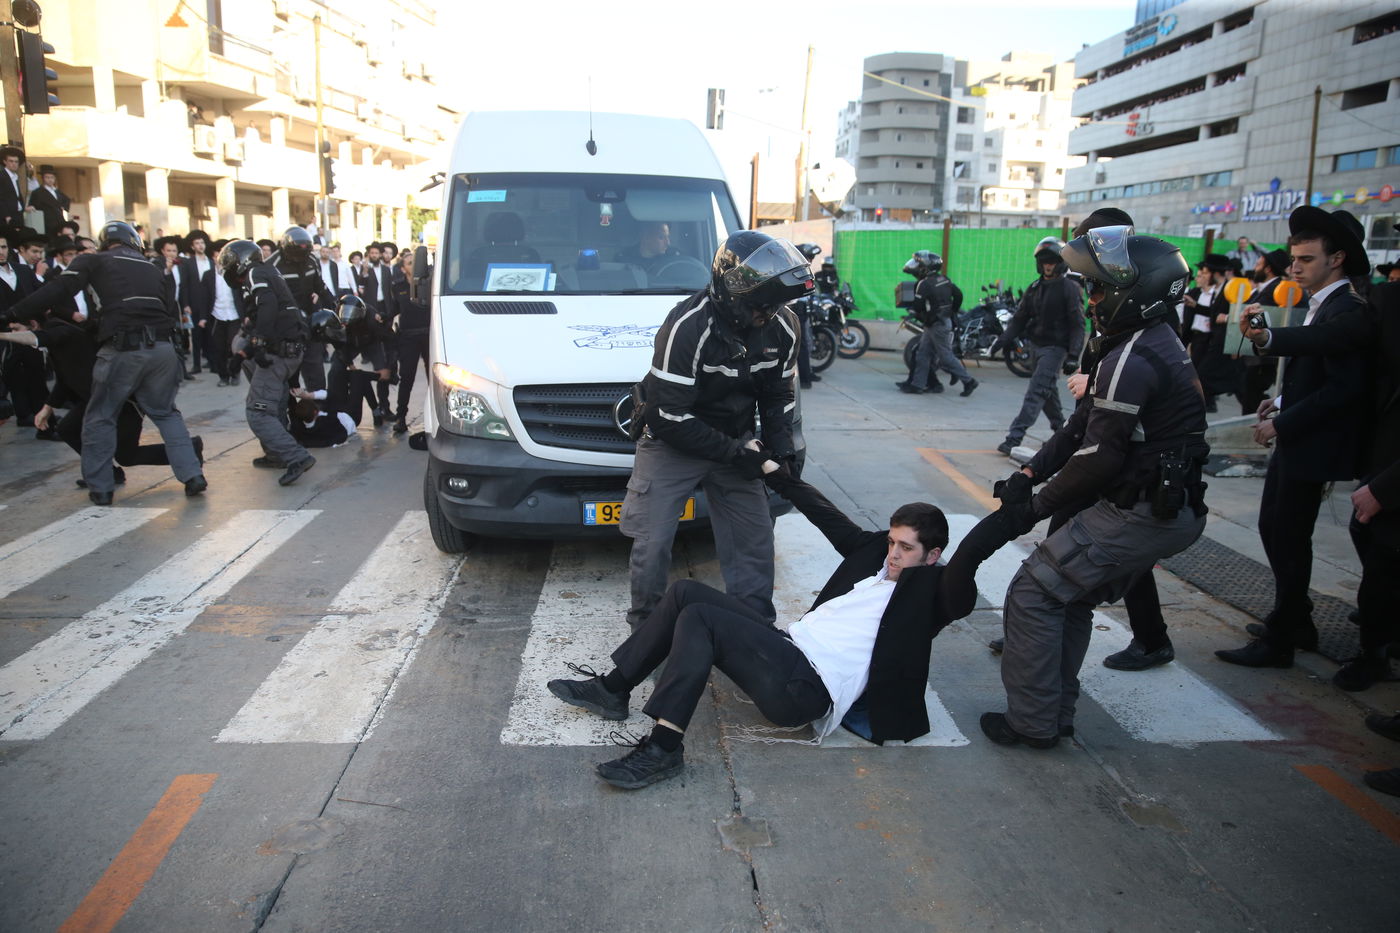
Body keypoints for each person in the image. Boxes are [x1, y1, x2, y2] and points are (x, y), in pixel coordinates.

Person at [548, 468, 994, 788]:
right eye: (892, 542)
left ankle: (664, 749)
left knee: (703, 620)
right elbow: (824, 513)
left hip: (805, 689)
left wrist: (1024, 498)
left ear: (932, 556)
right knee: (686, 592)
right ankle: (613, 688)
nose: (892, 554)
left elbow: (970, 557)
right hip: (786, 651)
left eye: (905, 548)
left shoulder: (935, 596)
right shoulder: (875, 560)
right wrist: (772, 469)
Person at [975, 226, 1209, 747]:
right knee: (1067, 597)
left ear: (1137, 290)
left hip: (1141, 511)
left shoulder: (1135, 356)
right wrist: (1029, 473)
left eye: (1099, 288)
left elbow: (1098, 457)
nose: (1091, 298)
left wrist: (1032, 508)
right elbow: (1080, 425)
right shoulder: (1142, 343)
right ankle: (1053, 713)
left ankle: (1033, 723)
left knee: (1033, 592)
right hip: (1160, 506)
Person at [1232, 227, 1395, 687]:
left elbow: (1342, 387)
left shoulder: (1349, 309)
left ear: (1337, 258)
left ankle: (1286, 634)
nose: (1294, 267)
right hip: (1302, 434)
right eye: (1293, 259)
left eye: (1305, 259)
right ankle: (1292, 619)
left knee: (1286, 534)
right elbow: (1313, 369)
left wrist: (1282, 422)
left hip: (1317, 442)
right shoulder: (1322, 306)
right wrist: (1280, 402)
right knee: (1277, 529)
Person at [621, 231, 809, 629]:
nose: (768, 314)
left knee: (755, 544)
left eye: (775, 304)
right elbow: (666, 415)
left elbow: (778, 395)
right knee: (652, 544)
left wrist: (781, 450)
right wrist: (737, 454)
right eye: (761, 304)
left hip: (736, 440)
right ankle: (646, 632)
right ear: (732, 292)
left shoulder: (785, 326)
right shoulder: (688, 326)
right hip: (672, 440)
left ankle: (752, 632)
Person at [6, 221, 205, 504]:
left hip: (123, 349)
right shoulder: (152, 266)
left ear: (104, 243)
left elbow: (57, 290)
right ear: (133, 241)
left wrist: (12, 312)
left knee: (100, 417)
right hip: (162, 350)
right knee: (166, 414)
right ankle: (193, 475)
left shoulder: (94, 260)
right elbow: (165, 308)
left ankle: (101, 487)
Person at [0, 294, 201, 486]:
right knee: (67, 428)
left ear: (33, 325)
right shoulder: (56, 344)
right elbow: (64, 380)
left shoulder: (60, 330)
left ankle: (190, 450)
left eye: (16, 330)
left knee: (127, 456)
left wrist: (3, 336)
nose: (15, 335)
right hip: (96, 398)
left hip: (122, 400)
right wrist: (47, 409)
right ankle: (107, 473)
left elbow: (42, 337)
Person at [219, 239, 316, 486]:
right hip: (290, 351)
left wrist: (259, 343)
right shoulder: (271, 272)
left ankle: (295, 456)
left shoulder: (255, 273)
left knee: (258, 412)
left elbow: (268, 306)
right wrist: (246, 351)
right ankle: (276, 454)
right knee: (276, 403)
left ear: (240, 261)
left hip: (279, 354)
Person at [993, 238, 1083, 455]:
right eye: (1044, 262)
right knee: (1046, 392)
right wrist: (1003, 340)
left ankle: (1014, 437)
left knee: (1036, 392)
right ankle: (1064, 433)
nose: (1048, 266)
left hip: (1056, 349)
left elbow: (1077, 324)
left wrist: (1073, 354)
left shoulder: (1069, 288)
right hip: (1035, 347)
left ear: (1059, 263)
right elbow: (1019, 319)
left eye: (1052, 261)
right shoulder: (1034, 288)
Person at [896, 250, 976, 397]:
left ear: (925, 267)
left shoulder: (924, 284)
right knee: (923, 354)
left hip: (936, 325)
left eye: (918, 265)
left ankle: (969, 381)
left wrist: (916, 312)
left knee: (945, 356)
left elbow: (918, 305)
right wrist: (952, 310)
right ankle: (917, 385)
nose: (916, 268)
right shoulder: (944, 279)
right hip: (939, 322)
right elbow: (958, 295)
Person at [270, 225, 335, 395]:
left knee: (316, 369)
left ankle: (319, 411)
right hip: (285, 326)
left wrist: (333, 305)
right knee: (287, 377)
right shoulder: (272, 265)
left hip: (309, 322)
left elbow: (320, 287)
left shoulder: (312, 260)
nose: (300, 258)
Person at [1180, 253, 1237, 413]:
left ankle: (1204, 402)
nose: (1202, 276)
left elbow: (1236, 313)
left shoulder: (1229, 289)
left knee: (1202, 375)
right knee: (1197, 373)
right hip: (1206, 339)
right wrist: (1196, 306)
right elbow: (1212, 312)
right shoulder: (1215, 290)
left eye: (1205, 272)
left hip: (1218, 340)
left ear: (1214, 273)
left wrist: (1226, 318)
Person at [388, 248, 430, 434]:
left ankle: (437, 417)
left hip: (429, 335)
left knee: (435, 379)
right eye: (410, 263)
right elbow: (393, 310)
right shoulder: (398, 287)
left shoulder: (430, 284)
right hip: (408, 337)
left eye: (416, 262)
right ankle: (401, 417)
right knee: (407, 378)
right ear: (403, 269)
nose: (415, 266)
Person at [179, 231, 216, 376]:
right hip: (194, 303)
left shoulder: (212, 262)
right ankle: (196, 365)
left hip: (209, 304)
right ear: (192, 246)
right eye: (197, 243)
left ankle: (212, 361)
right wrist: (186, 304)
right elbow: (184, 285)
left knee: (210, 334)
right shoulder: (188, 263)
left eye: (202, 243)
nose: (200, 246)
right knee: (195, 335)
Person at [26, 165, 77, 236]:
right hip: (46, 222)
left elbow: (66, 200)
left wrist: (63, 207)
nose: (50, 180)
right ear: (43, 178)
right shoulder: (37, 192)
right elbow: (33, 205)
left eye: (52, 177)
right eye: (47, 177)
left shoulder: (57, 191)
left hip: (59, 220)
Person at [616, 221, 681, 274]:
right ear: (646, 237)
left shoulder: (673, 257)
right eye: (661, 237)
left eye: (668, 237)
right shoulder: (624, 259)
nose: (668, 243)